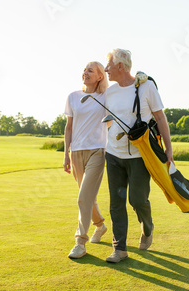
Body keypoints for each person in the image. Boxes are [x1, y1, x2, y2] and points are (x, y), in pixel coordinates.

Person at [104, 48, 174, 263]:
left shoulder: (146, 87)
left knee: (137, 200)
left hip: (140, 155)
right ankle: (120, 249)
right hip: (113, 155)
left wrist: (169, 148)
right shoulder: (110, 92)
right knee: (116, 202)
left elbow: (160, 118)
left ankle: (147, 228)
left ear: (120, 66)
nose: (106, 70)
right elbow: (108, 119)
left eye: (109, 65)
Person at [64, 61, 110, 259]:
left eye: (90, 70)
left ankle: (80, 242)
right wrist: (66, 153)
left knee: (83, 197)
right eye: (84, 70)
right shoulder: (73, 97)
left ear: (100, 76)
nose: (85, 73)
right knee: (87, 197)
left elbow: (111, 122)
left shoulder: (106, 97)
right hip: (76, 153)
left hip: (97, 152)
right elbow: (69, 127)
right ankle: (100, 226)